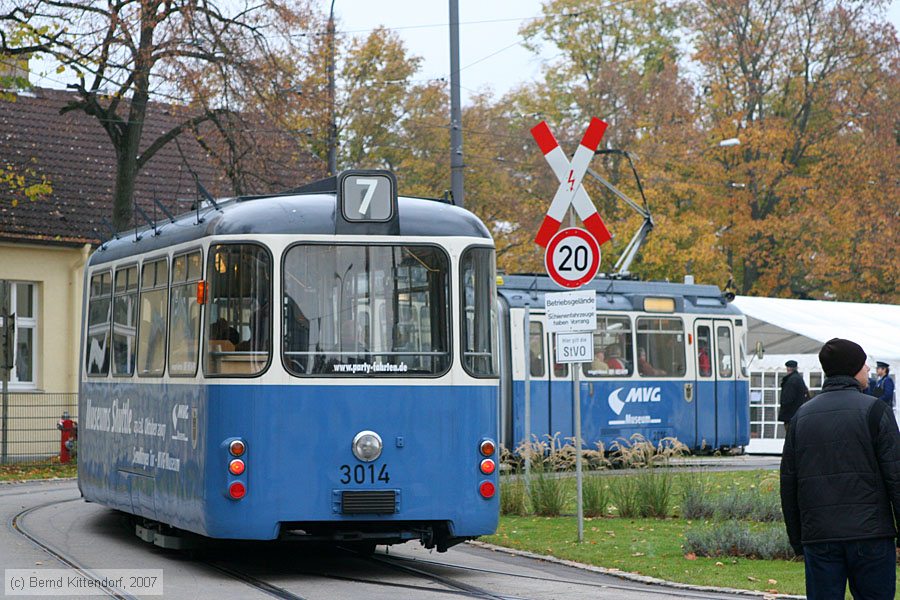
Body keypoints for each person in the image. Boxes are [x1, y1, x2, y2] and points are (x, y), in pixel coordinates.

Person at [780, 338, 900, 600]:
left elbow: (788, 483)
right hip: (871, 535)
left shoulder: (802, 417)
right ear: (851, 369)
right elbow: (896, 475)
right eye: (862, 363)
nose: (868, 368)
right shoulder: (876, 411)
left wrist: (797, 539)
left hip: (820, 537)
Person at [777, 359, 809, 435]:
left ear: (788, 368)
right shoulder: (798, 379)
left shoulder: (791, 381)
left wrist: (784, 408)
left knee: (790, 436)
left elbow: (788, 399)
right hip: (798, 413)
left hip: (790, 415)